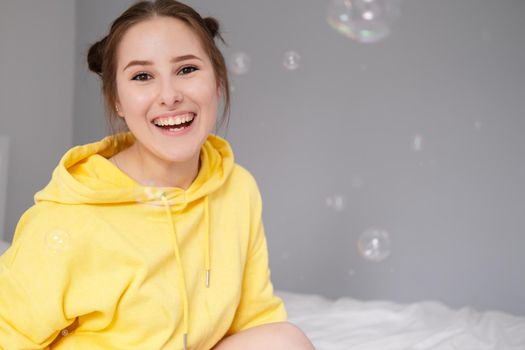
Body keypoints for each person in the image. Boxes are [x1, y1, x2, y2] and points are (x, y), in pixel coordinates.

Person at [0, 0, 315, 349]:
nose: (169, 96)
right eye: (142, 76)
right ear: (118, 100)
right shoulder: (67, 218)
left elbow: (254, 322)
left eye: (186, 70)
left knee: (285, 340)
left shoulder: (238, 189)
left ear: (218, 81)